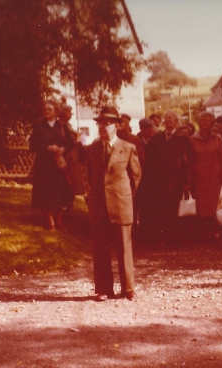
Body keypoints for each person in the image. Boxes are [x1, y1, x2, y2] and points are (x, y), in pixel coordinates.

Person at [85, 106, 141, 301]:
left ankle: (128, 289)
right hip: (99, 205)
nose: (102, 126)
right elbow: (90, 175)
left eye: (107, 123)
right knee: (100, 249)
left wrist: (124, 196)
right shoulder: (92, 149)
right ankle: (103, 289)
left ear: (116, 126)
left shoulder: (128, 148)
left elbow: (136, 177)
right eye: (100, 123)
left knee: (124, 247)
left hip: (121, 204)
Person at [143, 111, 191, 247]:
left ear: (176, 121)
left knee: (176, 209)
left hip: (177, 181)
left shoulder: (183, 139)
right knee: (161, 210)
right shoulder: (156, 139)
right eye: (167, 118)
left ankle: (178, 238)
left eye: (172, 118)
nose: (169, 120)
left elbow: (187, 161)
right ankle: (162, 238)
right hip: (160, 181)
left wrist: (187, 181)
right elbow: (149, 160)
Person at [29, 99, 74, 230]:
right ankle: (50, 221)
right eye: (45, 109)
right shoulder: (39, 127)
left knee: (59, 191)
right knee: (46, 192)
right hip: (44, 165)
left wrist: (63, 149)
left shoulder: (62, 126)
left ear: (56, 112)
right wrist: (47, 147)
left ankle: (59, 221)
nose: (46, 111)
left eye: (49, 109)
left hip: (59, 165)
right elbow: (32, 146)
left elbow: (70, 143)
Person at [189, 112, 222, 241]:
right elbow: (190, 160)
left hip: (214, 177)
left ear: (212, 124)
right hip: (199, 177)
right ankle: (202, 232)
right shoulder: (192, 139)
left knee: (214, 205)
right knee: (201, 206)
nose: (204, 123)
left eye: (207, 121)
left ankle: (215, 231)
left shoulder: (218, 139)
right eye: (202, 120)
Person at [59, 104, 85, 216]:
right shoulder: (60, 125)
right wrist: (74, 143)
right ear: (62, 112)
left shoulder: (68, 125)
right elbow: (62, 141)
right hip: (67, 158)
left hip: (74, 157)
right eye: (69, 111)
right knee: (67, 184)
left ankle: (69, 209)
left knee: (73, 185)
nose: (71, 114)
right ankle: (63, 210)